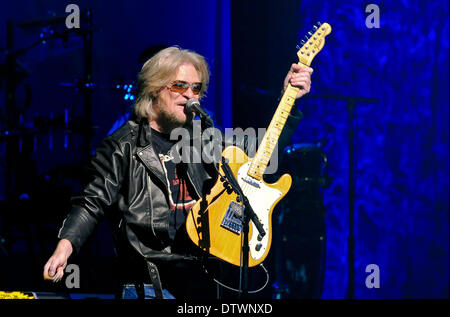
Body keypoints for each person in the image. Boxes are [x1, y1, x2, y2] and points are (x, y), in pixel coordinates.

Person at [43, 46, 313, 299]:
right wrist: (65, 247)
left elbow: (262, 154)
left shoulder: (206, 139)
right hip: (149, 285)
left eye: (196, 88)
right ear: (154, 89)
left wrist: (288, 102)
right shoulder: (122, 146)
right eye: (180, 86)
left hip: (204, 283)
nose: (189, 95)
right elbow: (91, 202)